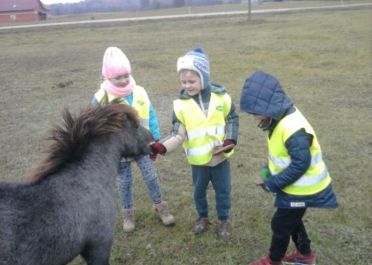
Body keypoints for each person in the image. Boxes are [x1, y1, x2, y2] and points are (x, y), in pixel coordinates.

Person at [240, 70, 338, 265]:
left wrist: (273, 183)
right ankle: (305, 255)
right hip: (294, 186)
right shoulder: (278, 118)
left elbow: (301, 163)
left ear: (268, 106)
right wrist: (266, 171)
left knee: (280, 224)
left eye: (256, 113)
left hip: (304, 189)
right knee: (292, 220)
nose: (255, 118)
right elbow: (280, 154)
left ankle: (273, 260)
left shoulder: (292, 128)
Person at [150, 48, 239, 240]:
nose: (187, 86)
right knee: (199, 192)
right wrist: (162, 147)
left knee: (223, 191)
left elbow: (232, 118)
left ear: (204, 78)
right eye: (183, 82)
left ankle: (223, 220)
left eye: (192, 81)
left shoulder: (221, 97)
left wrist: (230, 139)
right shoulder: (180, 105)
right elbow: (177, 133)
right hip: (198, 162)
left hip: (220, 157)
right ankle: (202, 217)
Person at [90, 46, 175, 233]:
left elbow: (150, 115)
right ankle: (128, 214)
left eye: (126, 75)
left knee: (151, 176)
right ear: (107, 78)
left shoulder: (140, 92)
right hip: (119, 151)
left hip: (142, 145)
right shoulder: (100, 98)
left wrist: (155, 138)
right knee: (124, 182)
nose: (123, 80)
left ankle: (160, 207)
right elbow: (92, 125)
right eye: (117, 77)